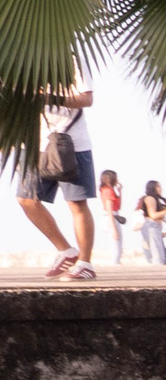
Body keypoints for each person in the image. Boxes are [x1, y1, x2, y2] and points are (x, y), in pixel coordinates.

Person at [16, 69, 98, 280]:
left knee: (77, 203)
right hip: (35, 142)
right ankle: (66, 251)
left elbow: (86, 99)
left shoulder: (74, 59)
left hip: (70, 143)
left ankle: (85, 263)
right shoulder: (26, 60)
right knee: (26, 199)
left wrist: (46, 97)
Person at [135, 181, 166, 264]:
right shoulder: (150, 198)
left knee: (160, 254)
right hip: (151, 226)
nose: (160, 189)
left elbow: (163, 218)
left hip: (155, 227)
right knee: (158, 255)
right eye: (158, 187)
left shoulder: (155, 199)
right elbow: (153, 215)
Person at [97, 168, 124, 263]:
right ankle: (115, 264)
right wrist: (114, 229)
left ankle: (115, 263)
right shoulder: (108, 191)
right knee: (116, 246)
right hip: (110, 218)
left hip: (111, 217)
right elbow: (109, 209)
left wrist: (120, 192)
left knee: (116, 245)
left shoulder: (107, 190)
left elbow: (118, 206)